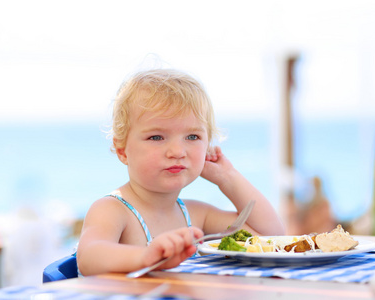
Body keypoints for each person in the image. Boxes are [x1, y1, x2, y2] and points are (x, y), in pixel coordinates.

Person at [76, 69, 285, 276]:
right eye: (156, 137)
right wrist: (144, 257)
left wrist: (227, 177)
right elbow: (89, 257)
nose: (177, 151)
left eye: (192, 137)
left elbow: (270, 236)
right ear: (122, 150)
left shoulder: (196, 215)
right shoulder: (112, 210)